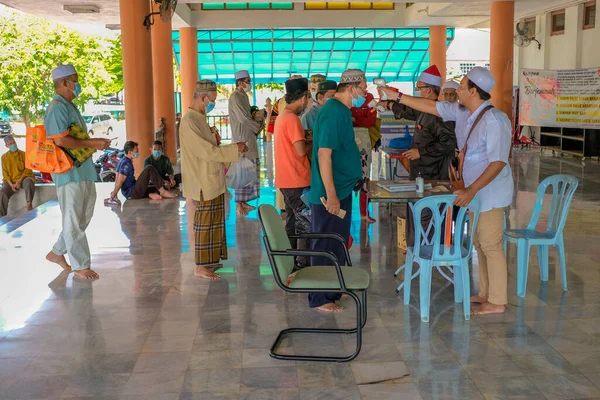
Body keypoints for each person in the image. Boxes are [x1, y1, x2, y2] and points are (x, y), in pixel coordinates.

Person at [380, 66, 513, 315]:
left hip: (489, 192)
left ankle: (497, 301)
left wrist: (472, 189)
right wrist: (396, 97)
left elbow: (498, 162)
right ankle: (485, 293)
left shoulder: (495, 120)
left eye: (462, 86)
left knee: (491, 244)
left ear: (474, 91)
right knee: (479, 243)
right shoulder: (463, 112)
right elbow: (429, 107)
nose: (456, 90)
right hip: (472, 191)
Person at [44, 64, 111, 280]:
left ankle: (56, 253)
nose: (78, 84)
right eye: (75, 80)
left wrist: (94, 144)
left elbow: (77, 139)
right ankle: (80, 264)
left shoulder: (69, 105)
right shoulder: (56, 107)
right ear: (64, 83)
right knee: (73, 218)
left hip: (83, 170)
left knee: (82, 216)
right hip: (68, 172)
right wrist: (93, 141)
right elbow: (61, 139)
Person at [180, 80, 248, 280]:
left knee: (215, 222)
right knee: (205, 223)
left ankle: (209, 261)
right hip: (203, 180)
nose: (212, 105)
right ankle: (200, 265)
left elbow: (212, 146)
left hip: (212, 178)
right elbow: (207, 152)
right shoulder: (189, 121)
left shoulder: (199, 118)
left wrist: (223, 143)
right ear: (203, 97)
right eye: (212, 100)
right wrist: (235, 149)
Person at [308, 69, 363, 312]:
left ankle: (332, 289)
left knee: (337, 244)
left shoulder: (341, 111)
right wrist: (331, 194)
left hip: (341, 189)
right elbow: (324, 154)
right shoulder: (333, 113)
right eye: (362, 88)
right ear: (351, 88)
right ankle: (319, 298)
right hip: (330, 193)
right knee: (325, 245)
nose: (365, 93)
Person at [275, 78, 312, 269]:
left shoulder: (282, 116)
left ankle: (289, 261)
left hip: (286, 179)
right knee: (306, 222)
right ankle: (302, 264)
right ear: (304, 98)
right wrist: (313, 140)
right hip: (297, 180)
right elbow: (300, 151)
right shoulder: (292, 119)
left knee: (292, 221)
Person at [228, 69, 263, 216]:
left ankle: (243, 202)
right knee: (242, 171)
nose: (249, 83)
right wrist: (257, 127)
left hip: (248, 136)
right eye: (247, 81)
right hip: (242, 137)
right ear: (240, 83)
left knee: (249, 171)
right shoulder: (236, 97)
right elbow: (243, 118)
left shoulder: (243, 96)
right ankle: (239, 204)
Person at [110, 141, 177, 201]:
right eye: (136, 151)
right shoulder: (126, 164)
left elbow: (117, 178)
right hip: (132, 193)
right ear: (130, 152)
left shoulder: (122, 160)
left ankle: (150, 194)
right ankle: (162, 192)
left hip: (132, 190)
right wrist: (113, 195)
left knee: (155, 185)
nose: (138, 152)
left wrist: (114, 193)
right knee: (149, 168)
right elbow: (120, 181)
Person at [352, 91, 378, 224]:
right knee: (345, 176)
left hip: (364, 140)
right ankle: (341, 212)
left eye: (365, 86)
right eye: (361, 87)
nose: (364, 89)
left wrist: (355, 120)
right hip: (348, 138)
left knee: (365, 177)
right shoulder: (346, 98)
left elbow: (371, 121)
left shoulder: (370, 98)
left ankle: (364, 213)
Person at [1, 135, 35, 217]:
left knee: (29, 182)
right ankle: (2, 216)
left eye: (13, 142)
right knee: (2, 193)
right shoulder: (4, 157)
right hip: (10, 182)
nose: (13, 144)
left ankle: (29, 203)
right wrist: (11, 184)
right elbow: (5, 173)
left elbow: (28, 169)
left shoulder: (24, 154)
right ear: (6, 146)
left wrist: (19, 181)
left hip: (22, 179)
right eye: (10, 144)